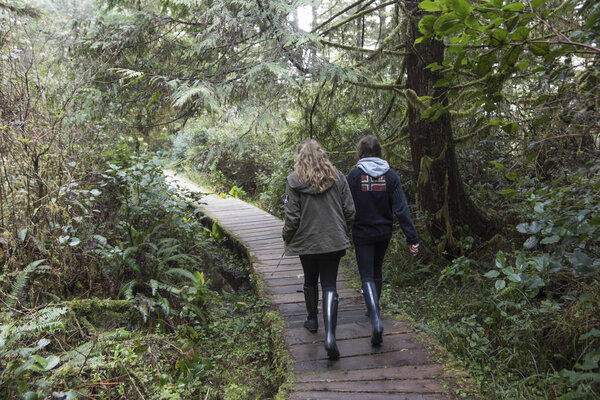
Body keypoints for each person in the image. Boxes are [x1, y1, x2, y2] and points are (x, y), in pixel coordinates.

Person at [282, 139, 355, 360]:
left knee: (310, 279)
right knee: (331, 285)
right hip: (333, 240)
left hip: (308, 241)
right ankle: (330, 335)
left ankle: (312, 319)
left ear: (300, 157)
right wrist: (343, 230)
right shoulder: (337, 176)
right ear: (322, 155)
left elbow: (292, 217)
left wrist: (287, 236)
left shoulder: (294, 180)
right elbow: (350, 210)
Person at [346, 136, 419, 346]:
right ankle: (372, 308)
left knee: (367, 276)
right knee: (377, 272)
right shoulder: (391, 176)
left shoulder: (354, 176)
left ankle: (376, 319)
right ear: (380, 152)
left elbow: (346, 208)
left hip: (362, 233)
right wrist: (411, 238)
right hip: (383, 233)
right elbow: (401, 209)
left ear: (360, 152)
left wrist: (342, 231)